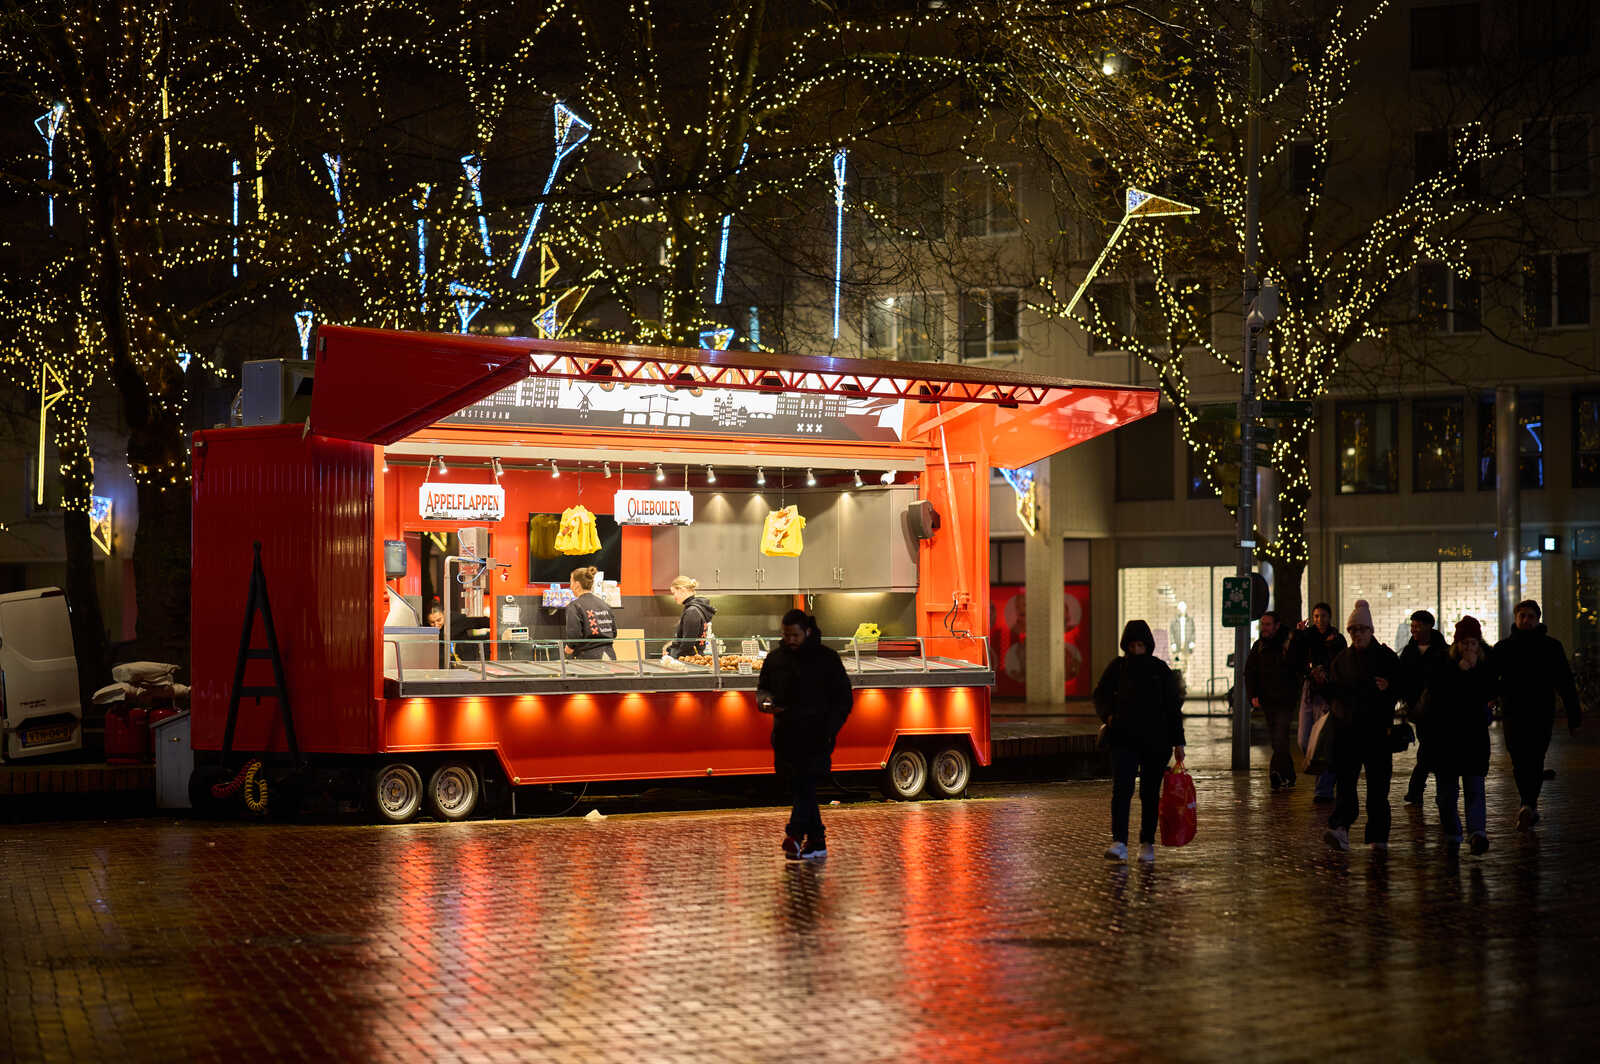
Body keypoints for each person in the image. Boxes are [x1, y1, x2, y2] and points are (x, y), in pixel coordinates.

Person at [757, 610, 853, 860]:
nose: (790, 640)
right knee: (801, 786)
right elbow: (763, 688)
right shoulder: (776, 659)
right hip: (786, 734)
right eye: (786, 635)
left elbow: (843, 699)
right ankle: (817, 840)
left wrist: (829, 728)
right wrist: (765, 701)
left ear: (807, 632)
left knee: (805, 783)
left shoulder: (826, 659)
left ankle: (795, 835)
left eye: (795, 635)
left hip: (816, 734)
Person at [1094, 620, 1186, 865]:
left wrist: (1179, 743)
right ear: (1126, 645)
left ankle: (1147, 843)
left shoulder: (1160, 670)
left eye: (1140, 645)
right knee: (1121, 790)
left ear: (1148, 645)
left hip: (1156, 742)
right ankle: (1120, 842)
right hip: (1123, 738)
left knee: (1149, 792)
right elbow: (1101, 695)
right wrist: (1109, 716)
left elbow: (1173, 708)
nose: (1136, 650)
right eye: (1132, 645)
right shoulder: (1118, 668)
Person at [1492, 599, 1583, 832]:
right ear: (1516, 618)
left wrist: (1574, 716)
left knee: (1534, 758)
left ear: (1538, 619)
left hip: (1541, 712)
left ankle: (1528, 804)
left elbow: (1565, 682)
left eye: (1531, 616)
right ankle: (1528, 803)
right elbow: (1491, 680)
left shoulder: (1551, 647)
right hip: (1513, 713)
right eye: (1522, 615)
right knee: (1519, 760)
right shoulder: (1503, 648)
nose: (1526, 620)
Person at [1321, 599, 1400, 853]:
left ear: (1371, 631)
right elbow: (1333, 692)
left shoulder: (1386, 657)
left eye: (1361, 630)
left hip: (1377, 733)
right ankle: (1341, 827)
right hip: (1348, 733)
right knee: (1345, 786)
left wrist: (1389, 688)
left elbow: (1401, 687)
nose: (1357, 634)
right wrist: (1322, 685)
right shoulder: (1341, 660)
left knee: (1378, 790)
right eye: (1353, 630)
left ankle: (1377, 837)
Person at [1420, 616, 1496, 855]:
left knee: (1475, 788)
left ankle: (1477, 832)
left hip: (1473, 741)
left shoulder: (1485, 666)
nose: (1469, 648)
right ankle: (1453, 832)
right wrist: (1458, 672)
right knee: (1446, 794)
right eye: (1465, 643)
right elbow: (1438, 695)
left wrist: (1472, 674)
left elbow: (1488, 694)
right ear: (1457, 644)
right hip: (1446, 741)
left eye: (1473, 643)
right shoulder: (1443, 664)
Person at [1291, 602, 1347, 802]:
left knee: (1322, 740)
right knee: (1304, 740)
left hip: (1326, 692)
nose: (1319, 620)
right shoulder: (1306, 636)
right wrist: (1297, 636)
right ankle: (1324, 775)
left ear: (1330, 617)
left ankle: (1323, 788)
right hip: (1309, 690)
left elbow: (1340, 662)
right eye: (1315, 616)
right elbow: (1294, 659)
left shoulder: (1337, 639)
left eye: (1323, 616)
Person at [1397, 610, 1447, 806]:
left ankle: (1417, 789)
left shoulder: (1443, 650)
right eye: (1412, 626)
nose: (1413, 630)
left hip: (1438, 709)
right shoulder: (1409, 651)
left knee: (1429, 746)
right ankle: (1420, 789)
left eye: (1417, 626)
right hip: (1418, 709)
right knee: (1429, 745)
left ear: (1429, 626)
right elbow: (1402, 677)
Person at [1247, 611, 1300, 790]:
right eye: (1263, 624)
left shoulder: (1288, 643)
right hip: (1268, 700)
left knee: (1279, 738)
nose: (1264, 628)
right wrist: (1253, 695)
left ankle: (1275, 774)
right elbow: (1250, 672)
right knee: (1279, 739)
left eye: (1268, 624)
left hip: (1285, 700)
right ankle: (1289, 775)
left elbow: (1296, 667)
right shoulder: (1259, 646)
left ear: (1277, 626)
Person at [563, 566, 617, 660]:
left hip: (588, 660)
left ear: (577, 584)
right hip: (610, 656)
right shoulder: (604, 604)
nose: (570, 586)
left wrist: (568, 648)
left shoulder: (574, 606)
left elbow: (574, 636)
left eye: (571, 582)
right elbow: (614, 632)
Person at [666, 575, 717, 659]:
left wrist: (674, 657)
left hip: (689, 660)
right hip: (695, 658)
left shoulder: (692, 611)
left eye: (674, 593)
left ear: (682, 590)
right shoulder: (697, 609)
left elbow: (688, 643)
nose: (674, 597)